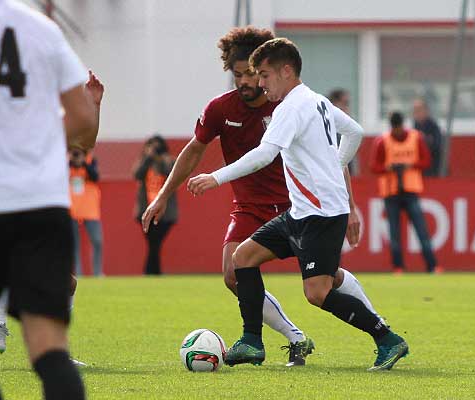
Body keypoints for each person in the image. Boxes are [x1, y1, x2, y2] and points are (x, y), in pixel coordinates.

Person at [142, 27, 384, 367]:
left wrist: (351, 206)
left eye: (252, 74)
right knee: (234, 271)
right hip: (251, 208)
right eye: (237, 74)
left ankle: (380, 330)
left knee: (327, 280)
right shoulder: (220, 109)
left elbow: (324, 153)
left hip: (296, 205)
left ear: (266, 70)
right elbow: (194, 150)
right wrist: (164, 194)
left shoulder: (291, 105)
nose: (244, 81)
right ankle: (293, 337)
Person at [0, 0, 103, 397]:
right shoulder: (40, 28)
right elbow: (82, 121)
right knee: (49, 352)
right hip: (40, 203)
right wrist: (33, 137)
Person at [370, 111, 439, 274]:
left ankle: (432, 265)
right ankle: (398, 266)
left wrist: (410, 165)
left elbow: (427, 161)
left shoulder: (416, 138)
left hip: (410, 191)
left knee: (421, 230)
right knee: (394, 233)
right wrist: (388, 168)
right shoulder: (382, 141)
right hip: (391, 192)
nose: (397, 131)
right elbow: (374, 166)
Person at [133, 135, 178, 275]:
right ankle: (153, 272)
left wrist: (161, 159)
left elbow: (172, 174)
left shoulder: (169, 161)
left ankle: (150, 272)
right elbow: (137, 175)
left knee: (155, 243)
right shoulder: (144, 162)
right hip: (145, 210)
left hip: (165, 212)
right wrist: (148, 158)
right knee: (153, 243)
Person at [69, 149, 103, 276]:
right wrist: (70, 162)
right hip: (71, 209)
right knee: (74, 245)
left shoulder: (90, 160)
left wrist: (83, 162)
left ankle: (97, 273)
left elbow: (95, 177)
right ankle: (78, 274)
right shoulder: (65, 161)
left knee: (97, 240)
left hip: (90, 209)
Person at [329, 88, 359, 175]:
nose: (348, 109)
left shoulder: (348, 130)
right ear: (334, 105)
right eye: (345, 104)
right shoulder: (328, 132)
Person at [412, 98, 443, 177]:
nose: (416, 113)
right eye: (414, 110)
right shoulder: (415, 126)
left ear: (426, 111)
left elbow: (437, 146)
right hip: (417, 168)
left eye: (419, 110)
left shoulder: (433, 126)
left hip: (432, 168)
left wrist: (424, 139)